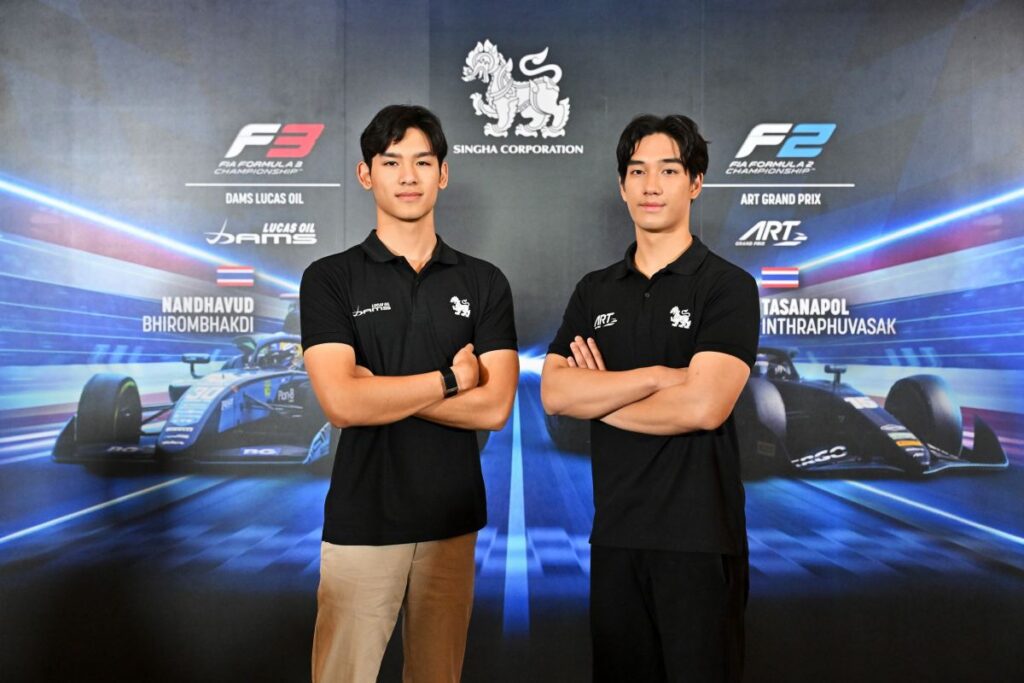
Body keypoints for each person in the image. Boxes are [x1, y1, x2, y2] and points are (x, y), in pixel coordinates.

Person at [300, 104, 519, 683]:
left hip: (452, 523)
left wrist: (380, 390)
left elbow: (495, 407)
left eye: (422, 162)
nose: (407, 176)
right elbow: (342, 404)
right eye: (391, 161)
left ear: (443, 174)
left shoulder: (484, 281)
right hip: (363, 521)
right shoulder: (330, 278)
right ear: (365, 174)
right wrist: (451, 380)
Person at [541, 114, 759, 682]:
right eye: (637, 172)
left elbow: (703, 407)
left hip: (700, 541)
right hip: (616, 537)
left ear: (696, 182)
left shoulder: (727, 286)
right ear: (622, 186)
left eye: (668, 170)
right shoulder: (595, 290)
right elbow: (556, 393)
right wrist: (662, 376)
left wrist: (600, 394)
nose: (651, 185)